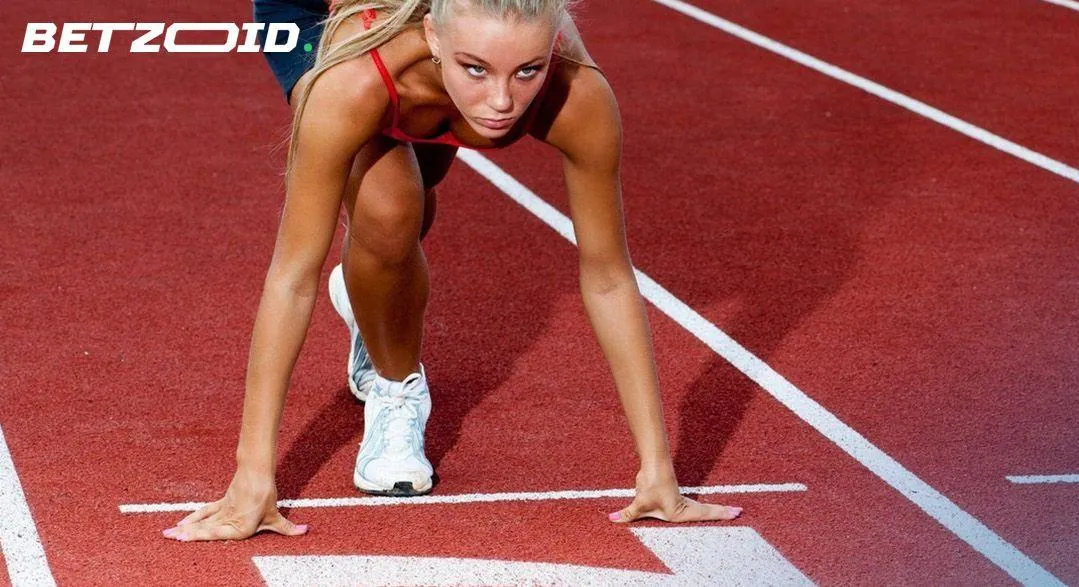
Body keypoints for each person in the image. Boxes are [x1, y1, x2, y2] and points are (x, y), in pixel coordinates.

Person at [164, 0, 741, 541]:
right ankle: (395, 387)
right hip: (320, 15)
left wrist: (658, 471)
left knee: (415, 203)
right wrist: (253, 480)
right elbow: (292, 276)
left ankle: (372, 296)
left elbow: (610, 274)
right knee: (390, 210)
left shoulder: (577, 91)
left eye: (527, 71)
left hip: (428, 76)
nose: (501, 102)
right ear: (436, 37)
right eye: (477, 69)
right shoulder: (352, 82)